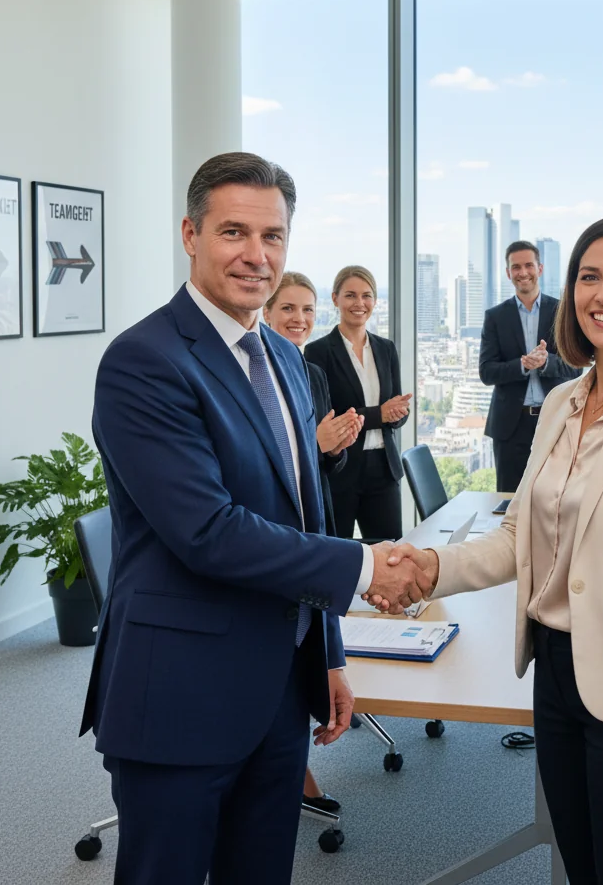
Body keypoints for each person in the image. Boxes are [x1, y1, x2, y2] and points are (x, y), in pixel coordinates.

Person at [81, 152, 430, 885]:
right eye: (234, 231)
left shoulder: (287, 360)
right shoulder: (143, 361)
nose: (256, 255)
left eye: (272, 237)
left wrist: (329, 652)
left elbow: (306, 514)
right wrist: (365, 567)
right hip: (179, 689)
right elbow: (207, 530)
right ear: (190, 234)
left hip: (278, 687)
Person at [375, 216, 603, 884]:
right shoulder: (565, 402)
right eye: (589, 277)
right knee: (584, 871)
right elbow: (521, 537)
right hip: (558, 676)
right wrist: (430, 570)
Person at [263, 272, 363, 816]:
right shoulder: (254, 368)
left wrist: (334, 446)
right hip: (279, 533)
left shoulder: (314, 373)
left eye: (306, 310)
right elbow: (264, 461)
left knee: (311, 641)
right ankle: (292, 776)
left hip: (314, 515)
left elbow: (328, 463)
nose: (299, 319)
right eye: (289, 310)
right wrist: (314, 443)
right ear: (268, 312)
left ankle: (290, 768)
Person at [304, 265, 410, 542]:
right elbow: (326, 418)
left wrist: (398, 413)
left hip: (384, 470)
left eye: (367, 296)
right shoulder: (317, 352)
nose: (359, 303)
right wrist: (380, 415)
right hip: (342, 470)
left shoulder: (386, 349)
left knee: (390, 552)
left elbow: (394, 412)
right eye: (350, 295)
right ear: (336, 298)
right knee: (337, 552)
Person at [480, 241, 580, 492]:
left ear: (540, 268)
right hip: (510, 428)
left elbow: (576, 366)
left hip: (554, 422)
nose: (523, 272)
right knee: (509, 499)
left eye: (528, 265)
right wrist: (522, 365)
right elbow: (487, 372)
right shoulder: (495, 317)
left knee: (555, 497)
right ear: (508, 273)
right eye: (516, 267)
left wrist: (547, 362)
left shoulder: (562, 311)